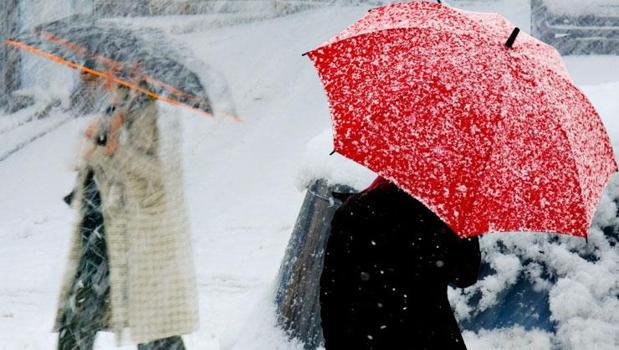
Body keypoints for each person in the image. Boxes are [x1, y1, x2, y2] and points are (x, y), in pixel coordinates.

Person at [55, 80, 198, 349]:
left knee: (155, 322)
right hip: (101, 224)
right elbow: (86, 162)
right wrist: (93, 142)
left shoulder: (160, 111)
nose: (106, 75)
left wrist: (117, 149)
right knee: (80, 311)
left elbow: (161, 172)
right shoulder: (113, 106)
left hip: (142, 231)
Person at [319, 177, 481, 350]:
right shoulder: (442, 212)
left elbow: (332, 292)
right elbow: (465, 275)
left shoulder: (355, 209)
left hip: (367, 338)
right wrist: (466, 222)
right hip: (430, 336)